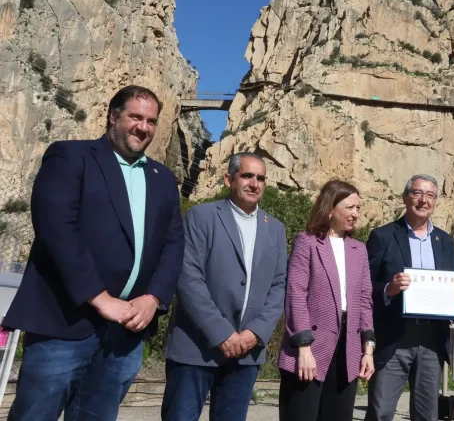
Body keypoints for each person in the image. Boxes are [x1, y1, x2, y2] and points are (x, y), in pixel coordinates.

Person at [4, 85, 184, 421]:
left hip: (127, 332)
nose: (143, 127)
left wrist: (154, 298)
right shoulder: (71, 157)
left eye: (151, 121)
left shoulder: (162, 179)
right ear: (114, 116)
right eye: (135, 117)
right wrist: (99, 298)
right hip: (65, 324)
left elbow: (174, 246)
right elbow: (57, 229)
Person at [162, 153, 287, 421]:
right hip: (196, 349)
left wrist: (255, 333)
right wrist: (221, 334)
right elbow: (188, 277)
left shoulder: (275, 229)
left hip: (247, 352)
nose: (255, 183)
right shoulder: (201, 216)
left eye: (261, 178)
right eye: (247, 176)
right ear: (229, 179)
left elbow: (279, 286)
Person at [365, 174, 454, 421]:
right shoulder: (382, 236)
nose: (423, 200)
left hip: (432, 342)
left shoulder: (445, 241)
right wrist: (387, 289)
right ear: (405, 198)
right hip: (393, 339)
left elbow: (449, 286)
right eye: (417, 193)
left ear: (435, 202)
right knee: (380, 413)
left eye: (430, 195)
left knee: (427, 415)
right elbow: (363, 287)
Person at [278, 180, 375, 421]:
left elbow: (365, 301)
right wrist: (303, 347)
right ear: (330, 208)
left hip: (348, 352)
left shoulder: (359, 250)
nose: (356, 213)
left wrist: (368, 349)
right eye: (350, 207)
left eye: (358, 208)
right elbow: (296, 295)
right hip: (310, 348)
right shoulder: (307, 242)